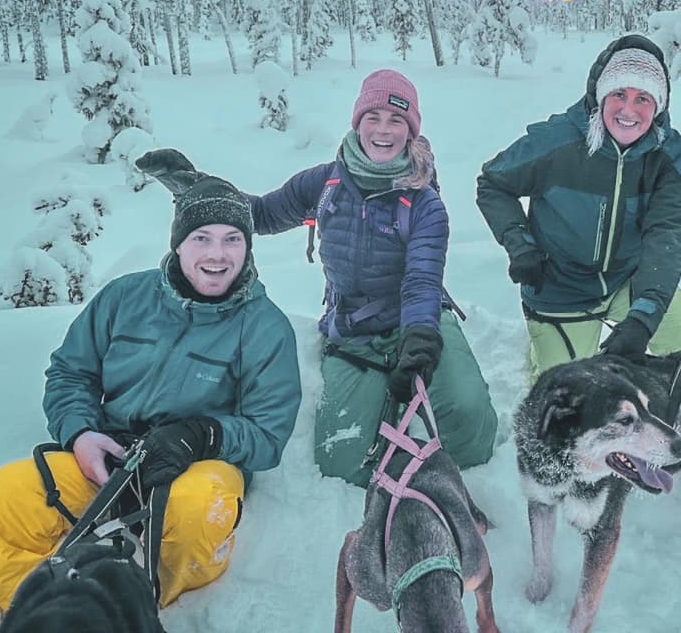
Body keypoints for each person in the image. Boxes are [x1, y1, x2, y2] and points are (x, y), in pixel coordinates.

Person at [143, 70, 497, 486]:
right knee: (340, 464)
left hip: (419, 323)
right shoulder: (325, 182)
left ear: (411, 130)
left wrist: (419, 342)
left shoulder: (424, 202)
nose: (383, 130)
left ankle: (420, 421)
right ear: (357, 121)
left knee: (473, 433)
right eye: (374, 117)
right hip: (355, 332)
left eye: (396, 120)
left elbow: (422, 278)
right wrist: (199, 190)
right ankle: (386, 414)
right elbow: (259, 214)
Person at [0, 176, 303, 611]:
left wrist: (203, 435)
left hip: (196, 467)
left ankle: (145, 606)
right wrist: (81, 434)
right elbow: (72, 372)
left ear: (247, 247)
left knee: (198, 513)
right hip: (109, 457)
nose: (217, 254)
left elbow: (267, 436)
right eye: (201, 238)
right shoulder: (125, 296)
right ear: (178, 243)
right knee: (2, 501)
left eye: (232, 239)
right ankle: (42, 612)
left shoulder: (265, 327)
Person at [477, 34, 681, 377]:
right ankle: (543, 353)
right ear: (600, 96)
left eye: (643, 98)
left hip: (631, 279)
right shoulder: (557, 140)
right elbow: (492, 183)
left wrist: (643, 317)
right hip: (561, 287)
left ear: (660, 105)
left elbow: (667, 236)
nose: (628, 110)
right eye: (619, 94)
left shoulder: (670, 156)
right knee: (564, 395)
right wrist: (520, 245)